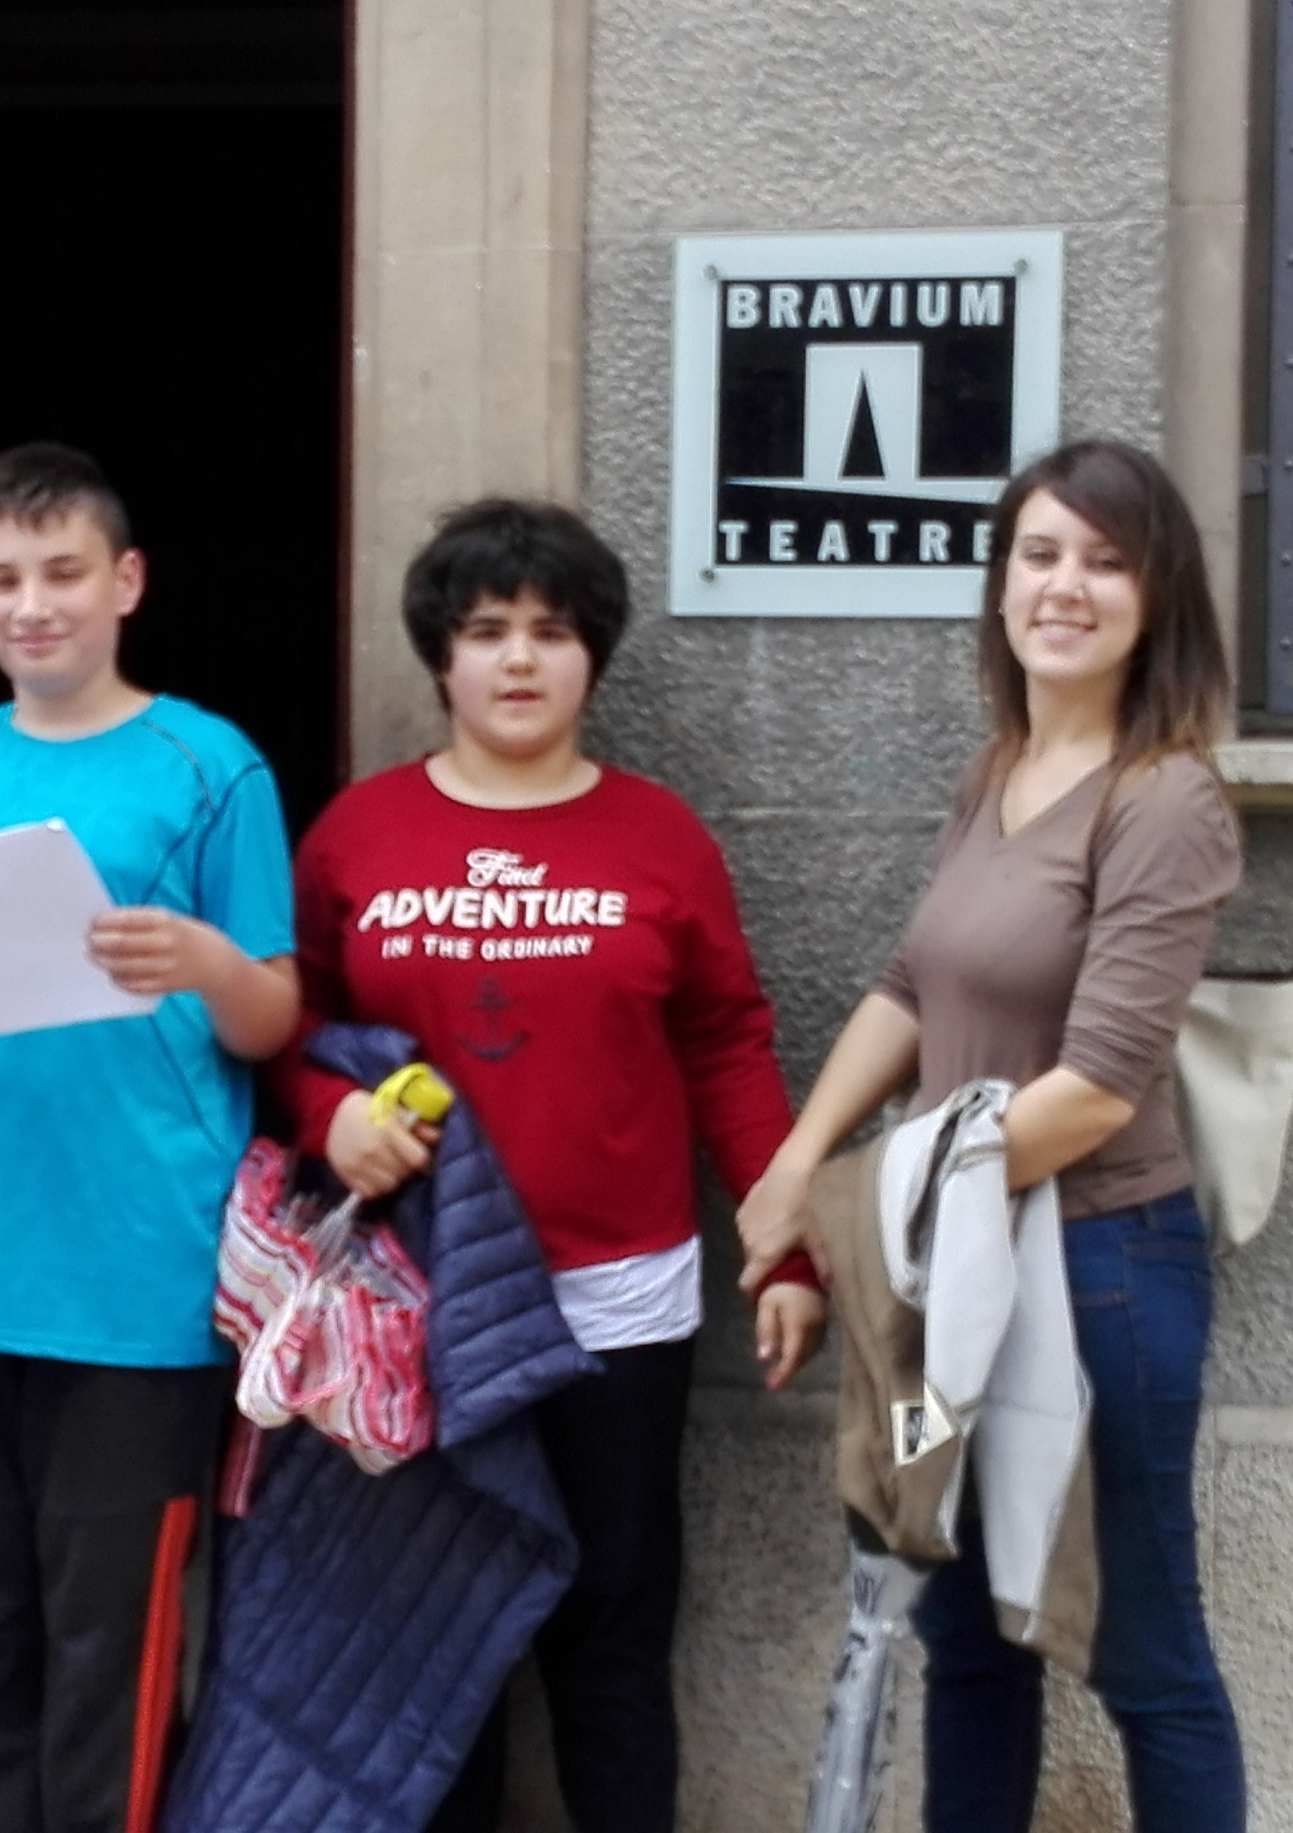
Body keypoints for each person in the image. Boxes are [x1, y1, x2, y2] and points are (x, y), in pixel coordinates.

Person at [270, 498, 827, 1833]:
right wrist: (327, 1116)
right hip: (418, 1300)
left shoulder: (660, 837)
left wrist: (787, 1248)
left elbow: (728, 1046)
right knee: (438, 1640)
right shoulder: (356, 834)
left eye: (551, 631)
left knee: (611, 1621)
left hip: (614, 1304)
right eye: (485, 631)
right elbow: (284, 1023)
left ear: (592, 656)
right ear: (441, 657)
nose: (518, 659)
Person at [734, 440, 1247, 1833]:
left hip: (1099, 1277)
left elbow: (1098, 1087)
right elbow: (910, 987)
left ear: (1157, 596)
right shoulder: (1000, 769)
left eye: (1105, 561)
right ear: (1002, 580)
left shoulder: (1166, 799)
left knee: (1143, 1654)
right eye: (1040, 553)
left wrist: (869, 1203)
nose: (1065, 587)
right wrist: (795, 1167)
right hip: (952, 1272)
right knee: (964, 1637)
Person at [0, 443, 298, 1833]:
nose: (32, 605)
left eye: (62, 573)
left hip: (139, 1273)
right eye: (3, 579)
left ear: (128, 581)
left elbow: (275, 1014)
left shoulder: (210, 763)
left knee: (115, 1632)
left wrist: (205, 959)